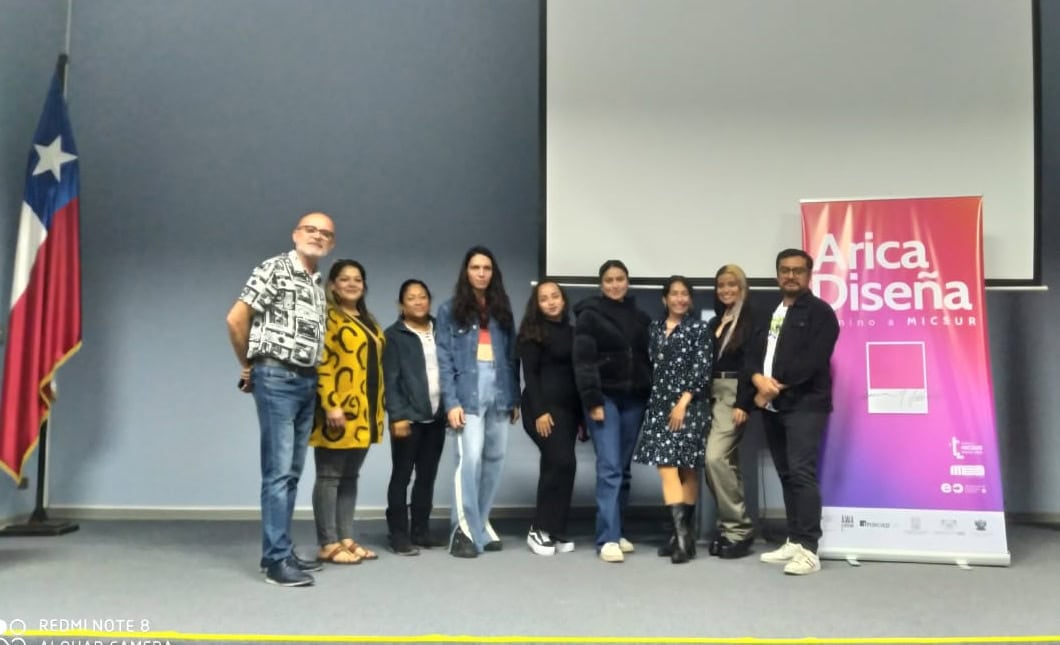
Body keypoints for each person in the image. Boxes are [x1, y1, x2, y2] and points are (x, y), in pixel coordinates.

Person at [225, 212, 335, 587]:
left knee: (291, 473)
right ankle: (275, 561)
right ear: (295, 234)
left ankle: (281, 550)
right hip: (277, 378)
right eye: (311, 230)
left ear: (331, 243)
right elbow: (235, 319)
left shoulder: (317, 283)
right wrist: (249, 365)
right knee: (277, 473)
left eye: (325, 234)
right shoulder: (274, 268)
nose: (317, 236)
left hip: (306, 380)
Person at [749, 248, 839, 576]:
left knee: (801, 473)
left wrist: (774, 385)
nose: (790, 276)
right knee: (786, 473)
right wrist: (757, 380)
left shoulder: (821, 313)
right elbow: (751, 354)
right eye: (785, 270)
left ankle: (810, 550)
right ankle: (795, 539)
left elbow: (813, 360)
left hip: (806, 404)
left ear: (808, 275)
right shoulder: (767, 312)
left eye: (797, 271)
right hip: (773, 406)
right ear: (777, 275)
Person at [436, 246, 520, 558]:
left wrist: (514, 397)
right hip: (467, 392)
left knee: (495, 458)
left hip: (499, 389)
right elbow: (444, 359)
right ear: (466, 272)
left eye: (487, 268)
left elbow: (511, 356)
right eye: (475, 268)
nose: (481, 273)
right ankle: (462, 530)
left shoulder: (502, 310)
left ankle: (480, 524)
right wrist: (451, 402)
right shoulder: (449, 310)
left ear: (493, 273)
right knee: (469, 460)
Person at [573, 260, 652, 563]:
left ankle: (617, 531)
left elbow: (646, 359)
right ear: (601, 284)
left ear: (627, 282)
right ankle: (606, 538)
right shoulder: (589, 315)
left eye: (620, 279)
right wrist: (592, 400)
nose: (615, 285)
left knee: (623, 468)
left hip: (634, 400)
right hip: (604, 398)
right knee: (609, 467)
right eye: (609, 280)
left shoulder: (641, 318)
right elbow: (583, 361)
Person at [309, 259, 385, 566]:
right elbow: (322, 361)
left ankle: (345, 537)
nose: (352, 284)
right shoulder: (327, 317)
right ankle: (327, 542)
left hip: (365, 413)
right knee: (329, 476)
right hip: (338, 411)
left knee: (350, 476)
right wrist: (330, 404)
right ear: (332, 285)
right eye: (344, 279)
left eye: (357, 279)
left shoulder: (368, 319)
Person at [633, 276, 712, 564]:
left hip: (689, 406)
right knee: (667, 469)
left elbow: (702, 369)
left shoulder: (699, 329)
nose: (680, 299)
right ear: (664, 299)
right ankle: (682, 538)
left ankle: (681, 538)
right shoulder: (653, 329)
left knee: (688, 470)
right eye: (674, 294)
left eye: (685, 294)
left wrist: (683, 403)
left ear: (690, 299)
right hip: (659, 406)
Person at [383, 279, 448, 555]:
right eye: (411, 298)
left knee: (427, 476)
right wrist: (397, 416)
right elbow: (390, 380)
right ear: (401, 304)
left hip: (437, 417)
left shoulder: (442, 329)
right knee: (401, 476)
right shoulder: (394, 336)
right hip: (407, 419)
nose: (418, 302)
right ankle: (398, 534)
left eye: (422, 296)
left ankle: (421, 530)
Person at [517, 281, 581, 556]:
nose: (551, 302)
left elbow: (577, 375)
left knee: (563, 467)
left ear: (563, 300)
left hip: (568, 411)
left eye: (555, 296)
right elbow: (530, 376)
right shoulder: (532, 333)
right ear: (537, 305)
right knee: (560, 462)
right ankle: (538, 528)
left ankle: (555, 529)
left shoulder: (573, 333)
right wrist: (541, 411)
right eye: (544, 299)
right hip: (541, 410)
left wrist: (582, 418)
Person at [704, 264, 757, 559]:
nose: (726, 290)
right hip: (710, 393)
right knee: (725, 464)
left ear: (742, 288)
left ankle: (738, 528)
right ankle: (730, 528)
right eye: (721, 285)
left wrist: (744, 402)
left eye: (732, 284)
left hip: (734, 392)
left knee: (715, 458)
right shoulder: (715, 321)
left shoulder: (750, 320)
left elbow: (753, 363)